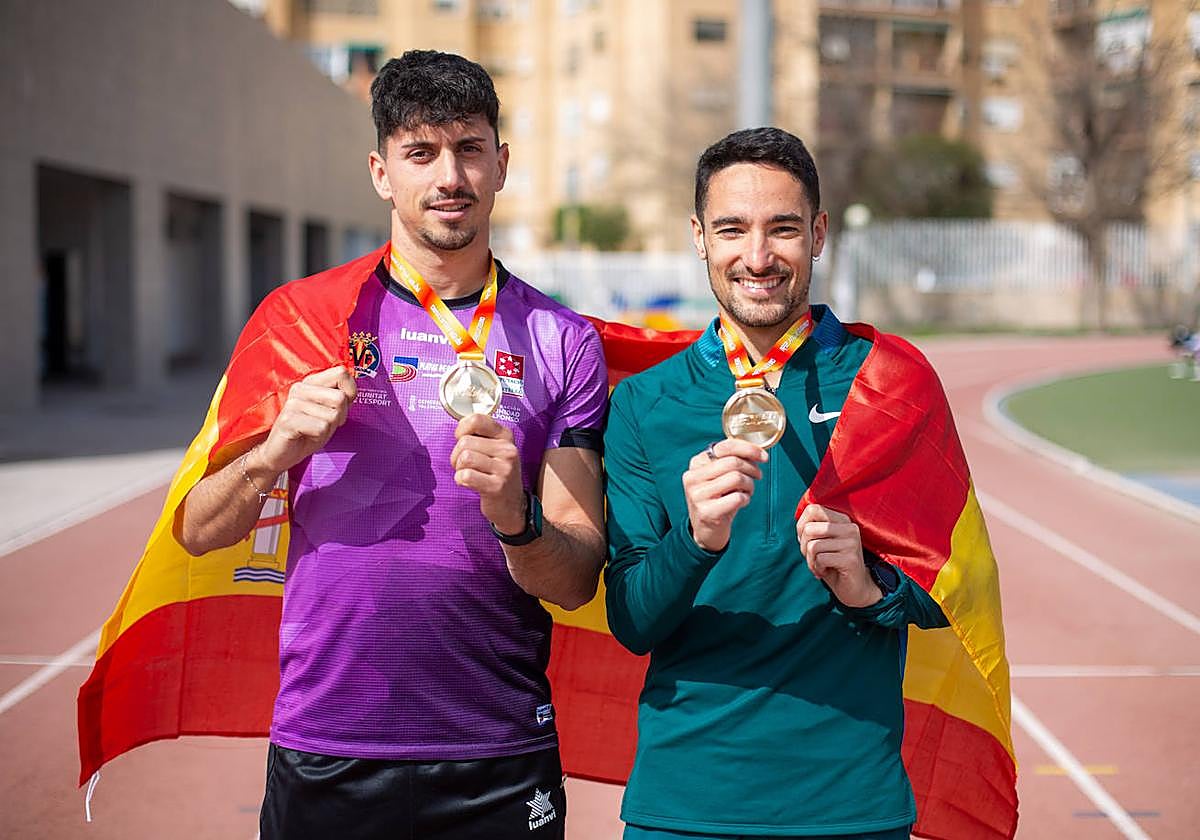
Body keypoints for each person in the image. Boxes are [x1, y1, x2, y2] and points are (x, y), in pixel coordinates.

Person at [178, 50, 608, 839]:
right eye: (421, 152)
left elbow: (577, 580)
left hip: (497, 750)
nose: (450, 175)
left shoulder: (563, 341)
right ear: (382, 172)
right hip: (331, 743)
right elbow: (198, 527)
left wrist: (516, 515)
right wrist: (273, 452)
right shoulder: (304, 321)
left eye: (469, 148)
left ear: (501, 164)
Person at [603, 127, 954, 839]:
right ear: (699, 236)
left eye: (783, 229)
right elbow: (632, 622)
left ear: (819, 233)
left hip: (849, 802)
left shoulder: (889, 382)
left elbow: (953, 586)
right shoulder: (645, 404)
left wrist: (869, 586)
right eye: (731, 229)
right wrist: (695, 542)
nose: (757, 257)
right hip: (686, 805)